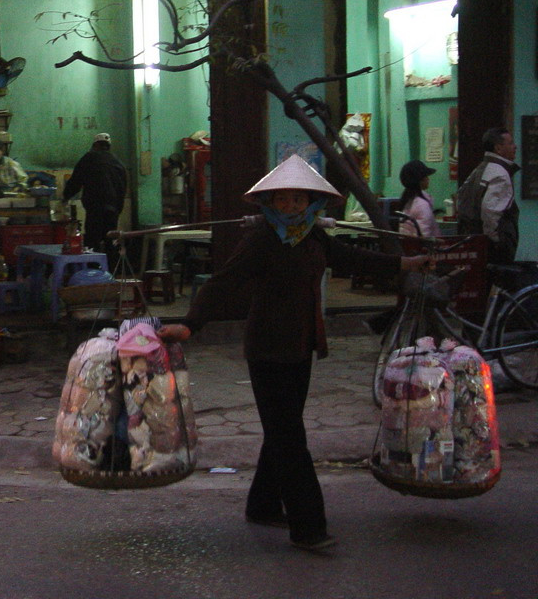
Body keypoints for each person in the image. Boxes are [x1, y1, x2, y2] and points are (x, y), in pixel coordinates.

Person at [157, 155, 432, 552]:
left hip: (301, 346)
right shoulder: (263, 238)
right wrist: (191, 324)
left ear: (310, 201)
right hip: (268, 349)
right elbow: (224, 282)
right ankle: (308, 527)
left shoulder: (312, 236)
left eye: (297, 199)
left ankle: (264, 504)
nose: (290, 207)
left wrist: (408, 262)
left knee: (283, 429)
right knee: (290, 437)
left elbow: (353, 259)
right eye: (282, 200)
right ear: (270, 202)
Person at [457, 126, 519, 265]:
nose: (515, 147)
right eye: (510, 143)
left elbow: (461, 196)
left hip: (473, 239)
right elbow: (490, 212)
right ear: (498, 148)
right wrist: (496, 242)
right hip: (491, 248)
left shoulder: (480, 168)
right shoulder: (500, 174)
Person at [62, 132, 127, 254]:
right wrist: (118, 209)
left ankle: (93, 270)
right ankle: (110, 269)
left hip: (95, 206)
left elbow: (76, 180)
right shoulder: (118, 162)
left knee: (92, 240)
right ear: (109, 146)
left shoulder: (89, 158)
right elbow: (122, 188)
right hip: (113, 208)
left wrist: (66, 196)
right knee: (110, 239)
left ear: (95, 145)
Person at [396, 160, 439, 238]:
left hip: (409, 246)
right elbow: (425, 235)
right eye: (426, 176)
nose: (428, 179)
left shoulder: (407, 201)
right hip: (422, 248)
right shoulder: (422, 204)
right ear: (420, 180)